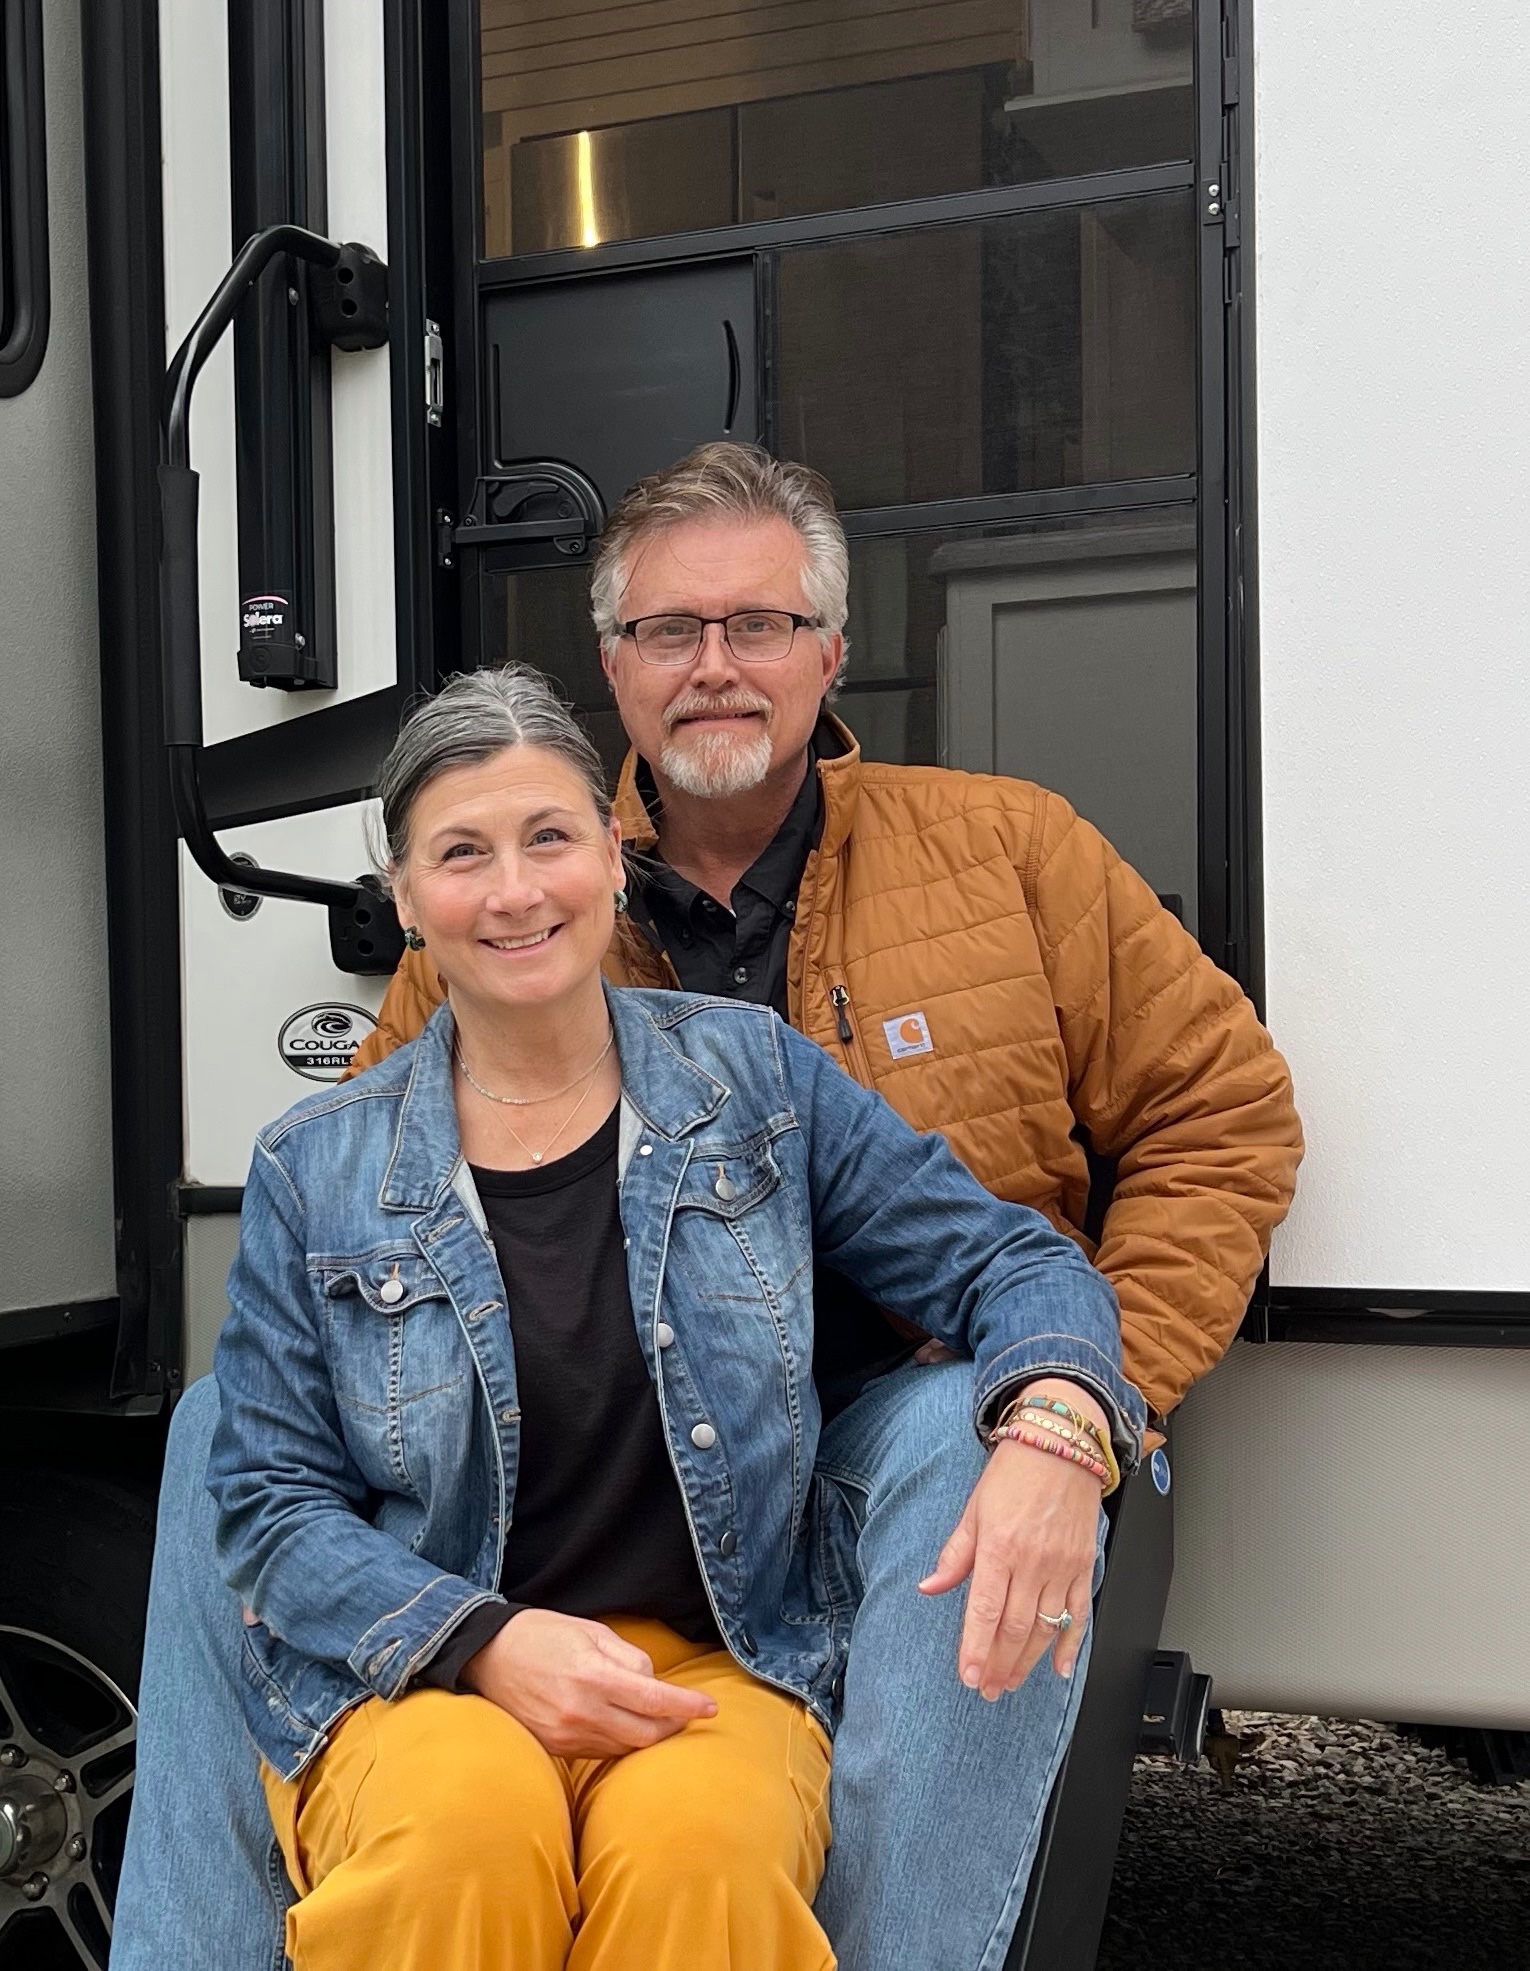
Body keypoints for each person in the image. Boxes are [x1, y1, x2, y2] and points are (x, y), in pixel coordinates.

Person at [113, 444, 1300, 1971]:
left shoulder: (1005, 855)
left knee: (965, 1437)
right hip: (577, 1449)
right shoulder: (446, 994)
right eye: (669, 631)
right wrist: (469, 1632)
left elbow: (1216, 1118)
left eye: (759, 624)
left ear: (831, 648)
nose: (716, 667)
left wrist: (1079, 1404)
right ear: (613, 666)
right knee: (229, 1428)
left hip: (894, 1417)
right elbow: (373, 1258)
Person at [203, 664, 1140, 1971]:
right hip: (418, 1668)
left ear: (611, 853)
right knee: (466, 1838)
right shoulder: (319, 1167)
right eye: (462, 854)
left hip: (712, 1665)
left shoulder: (752, 1083)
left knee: (702, 1862)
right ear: (408, 901)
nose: (517, 889)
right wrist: (483, 1640)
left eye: (549, 837)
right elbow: (266, 1502)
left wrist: (1056, 1422)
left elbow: (1011, 1262)